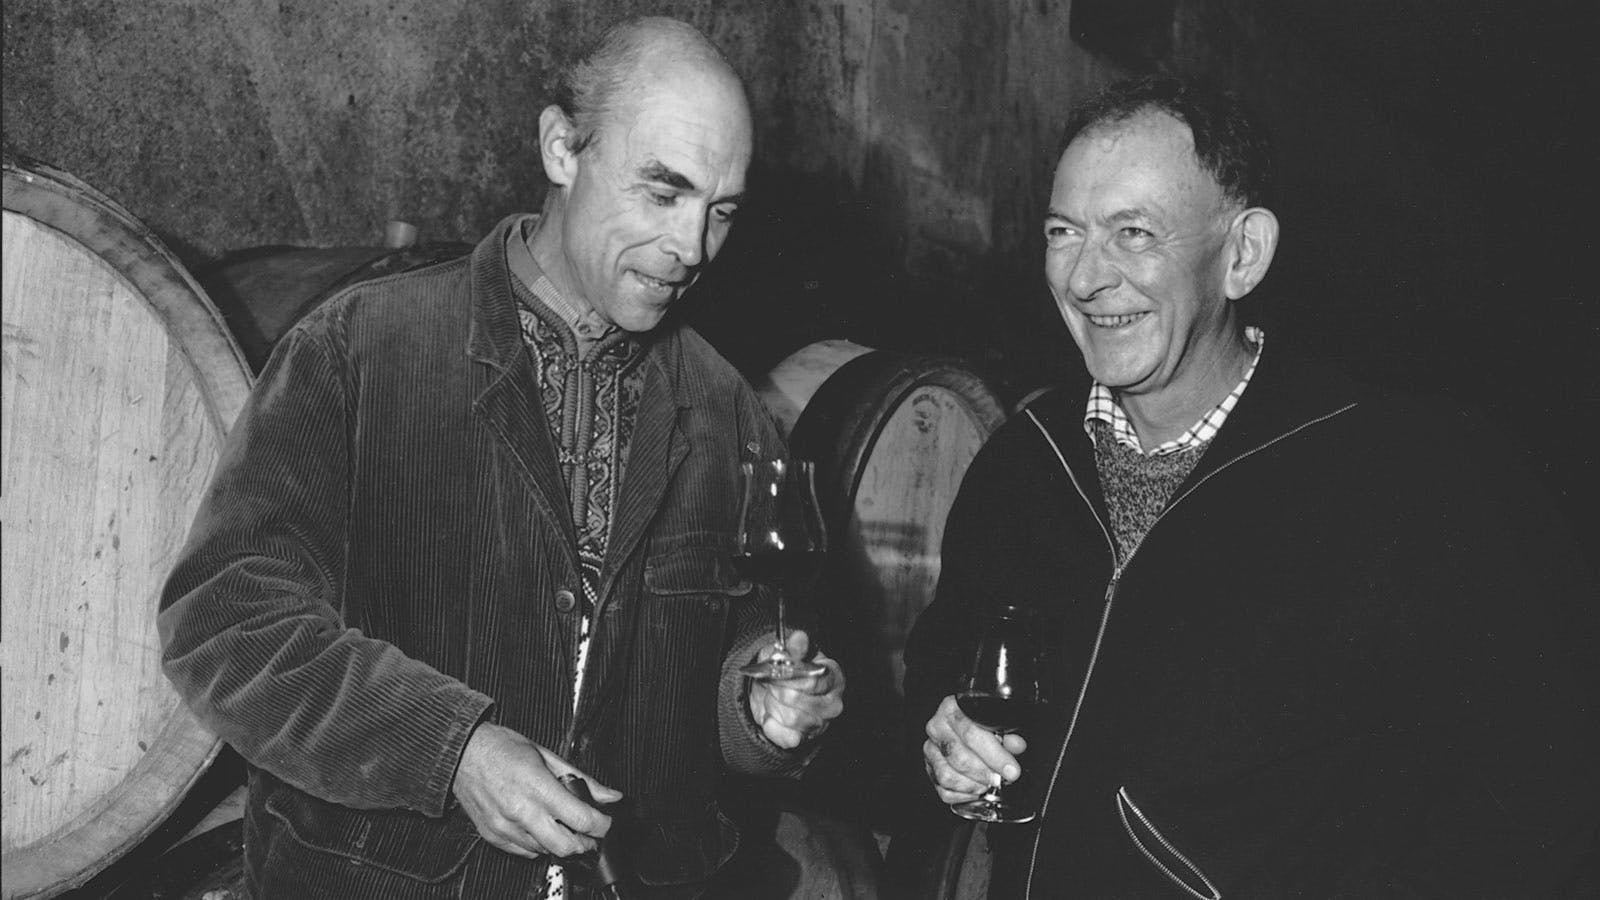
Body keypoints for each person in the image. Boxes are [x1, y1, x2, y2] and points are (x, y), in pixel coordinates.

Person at [159, 16, 844, 900]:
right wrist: (452, 752)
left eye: (721, 211)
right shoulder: (360, 350)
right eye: (662, 191)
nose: (692, 247)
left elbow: (732, 655)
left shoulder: (729, 412)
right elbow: (228, 623)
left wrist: (759, 709)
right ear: (562, 149)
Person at [904, 74, 1597, 898]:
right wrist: (945, 737)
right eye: (1064, 231)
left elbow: (1543, 789)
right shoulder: (1024, 459)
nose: (1085, 277)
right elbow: (944, 671)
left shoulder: (1409, 476)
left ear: (1243, 254)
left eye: (1134, 232)